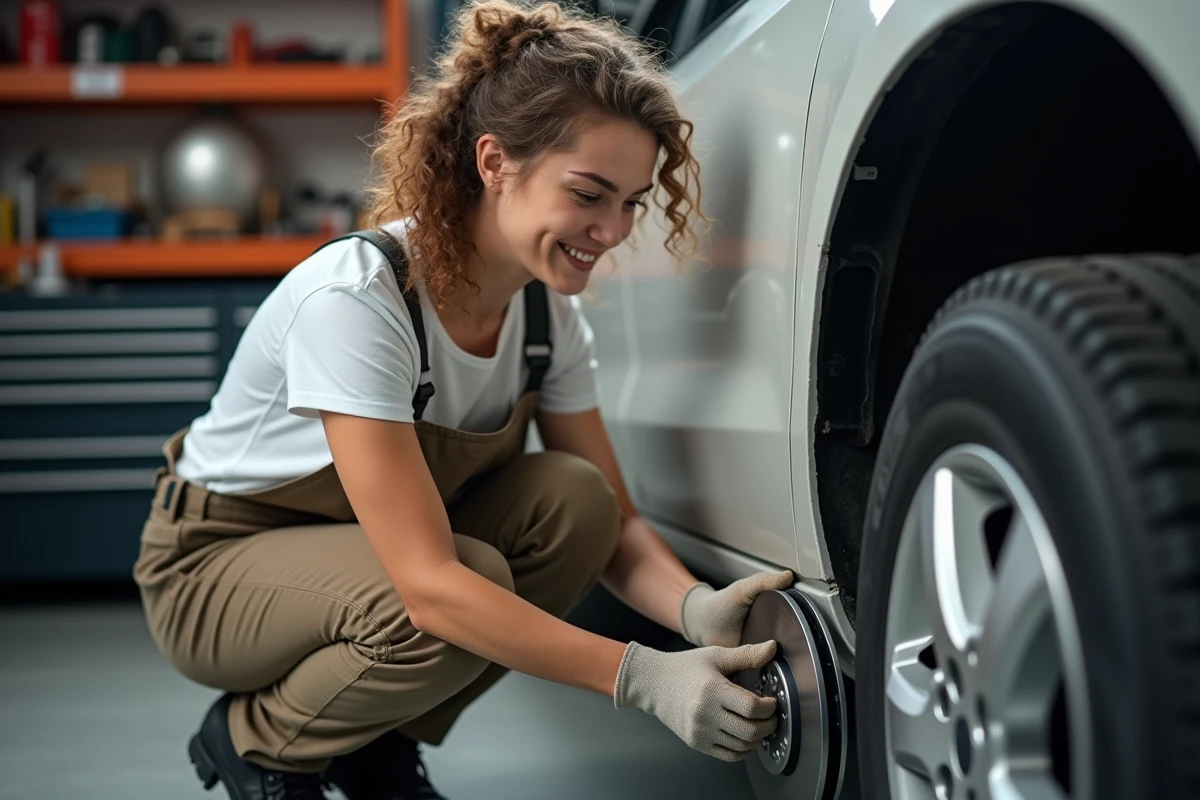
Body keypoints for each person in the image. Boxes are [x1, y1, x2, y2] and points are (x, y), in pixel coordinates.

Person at [133, 2, 795, 798]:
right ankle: (257, 743)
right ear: (494, 163)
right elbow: (428, 583)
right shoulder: (360, 301)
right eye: (589, 194)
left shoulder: (547, 320)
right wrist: (641, 676)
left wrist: (694, 610)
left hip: (359, 562)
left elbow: (611, 522)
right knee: (453, 589)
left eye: (631, 202)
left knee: (573, 505)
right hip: (212, 573)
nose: (613, 230)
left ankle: (365, 739)